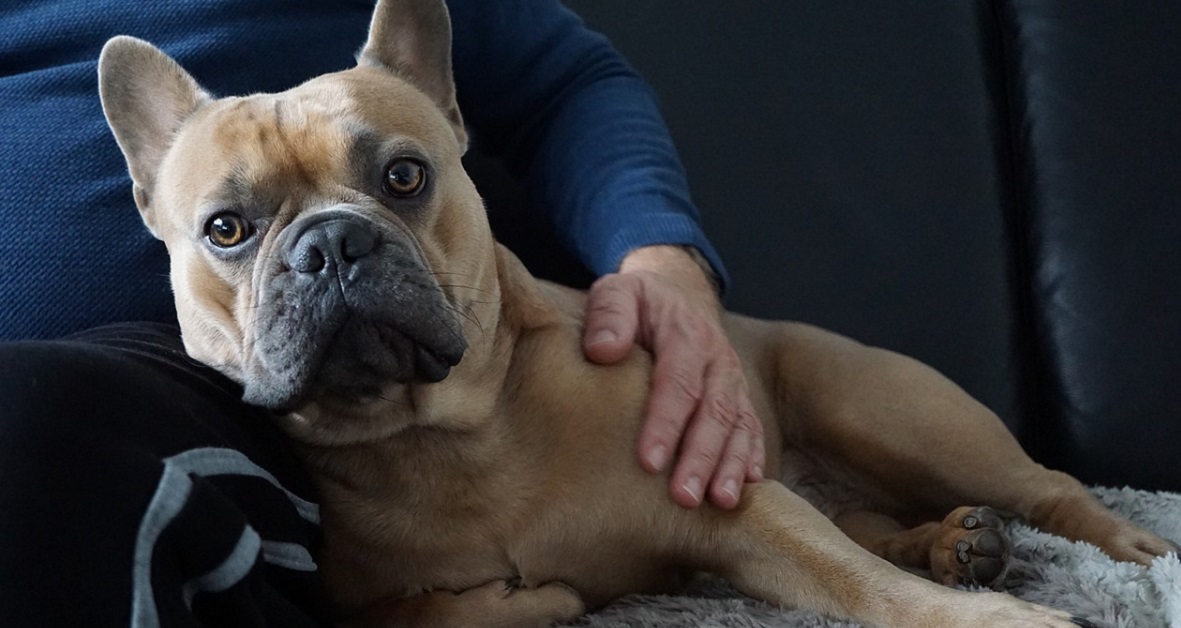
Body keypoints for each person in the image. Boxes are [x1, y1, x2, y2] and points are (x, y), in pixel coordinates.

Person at [0, 0, 763, 625]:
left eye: (398, 177)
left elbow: (566, 81)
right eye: (230, 229)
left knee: (31, 420)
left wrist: (662, 256)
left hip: (190, 394)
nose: (324, 258)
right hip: (204, 357)